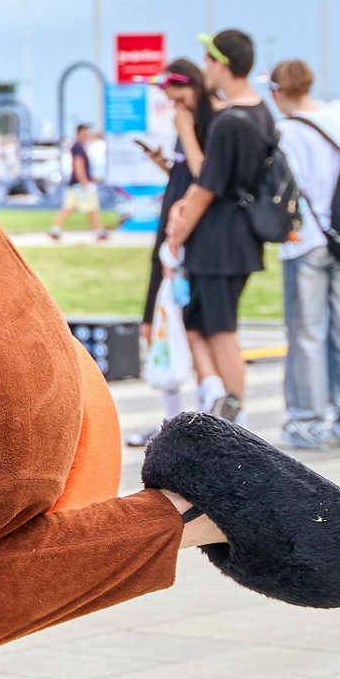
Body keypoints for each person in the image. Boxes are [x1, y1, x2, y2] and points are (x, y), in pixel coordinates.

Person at [161, 28, 276, 425]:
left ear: (221, 64)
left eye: (209, 61)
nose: (205, 68)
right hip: (241, 236)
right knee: (200, 322)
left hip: (218, 238)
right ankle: (220, 403)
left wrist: (177, 232)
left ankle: (233, 417)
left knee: (221, 330)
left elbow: (206, 186)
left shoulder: (228, 122)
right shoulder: (262, 113)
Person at [271, 58, 340, 449]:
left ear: (279, 91)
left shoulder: (286, 131)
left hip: (305, 240)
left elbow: (286, 188)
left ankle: (307, 422)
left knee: (306, 334)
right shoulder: (339, 120)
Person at [129, 60, 207, 447]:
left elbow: (206, 177)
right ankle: (171, 424)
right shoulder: (185, 129)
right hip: (170, 238)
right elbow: (190, 176)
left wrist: (187, 133)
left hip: (189, 243)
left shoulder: (202, 126)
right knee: (159, 331)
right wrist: (166, 164)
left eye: (177, 96)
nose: (173, 105)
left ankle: (202, 426)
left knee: (191, 333)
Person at [46, 122, 105, 242]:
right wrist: (85, 182)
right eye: (86, 132)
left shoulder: (80, 146)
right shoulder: (78, 146)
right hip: (79, 184)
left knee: (69, 207)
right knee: (91, 207)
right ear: (80, 133)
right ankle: (99, 232)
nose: (88, 134)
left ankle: (55, 229)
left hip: (76, 183)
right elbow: (78, 165)